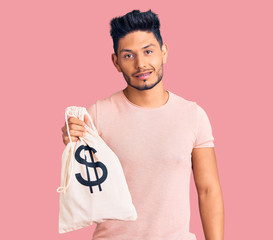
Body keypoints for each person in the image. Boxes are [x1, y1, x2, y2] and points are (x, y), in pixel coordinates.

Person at [61, 9, 224, 240]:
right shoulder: (97, 114)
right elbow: (83, 183)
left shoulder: (193, 115)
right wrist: (72, 143)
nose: (141, 64)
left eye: (148, 51)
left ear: (164, 52)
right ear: (115, 62)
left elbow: (208, 190)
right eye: (128, 56)